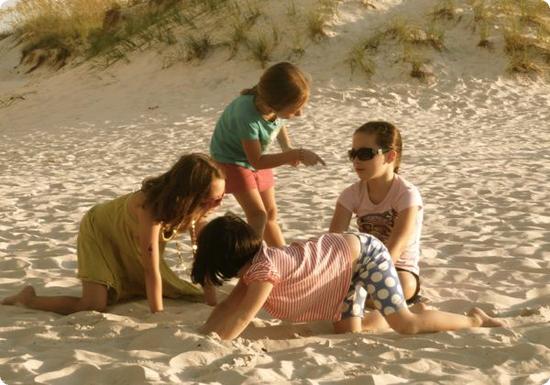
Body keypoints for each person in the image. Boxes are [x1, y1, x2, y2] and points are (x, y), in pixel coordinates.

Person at [191, 214, 505, 340]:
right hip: (340, 267)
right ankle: (415, 310)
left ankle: (475, 320)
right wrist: (205, 332)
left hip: (364, 255)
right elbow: (228, 307)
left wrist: (220, 343)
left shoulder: (262, 270)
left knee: (405, 326)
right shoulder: (255, 264)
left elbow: (244, 315)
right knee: (349, 331)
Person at [2, 153, 225, 314]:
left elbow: (202, 259)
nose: (218, 204)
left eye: (221, 197)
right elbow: (151, 269)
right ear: (190, 194)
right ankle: (28, 300)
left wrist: (211, 303)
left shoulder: (199, 211)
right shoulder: (151, 208)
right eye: (212, 199)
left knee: (184, 294)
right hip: (101, 231)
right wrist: (158, 314)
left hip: (131, 239)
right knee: (93, 306)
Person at [209, 62, 325, 247]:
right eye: (295, 108)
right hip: (230, 161)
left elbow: (278, 124)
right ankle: (251, 262)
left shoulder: (270, 107)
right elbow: (257, 162)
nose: (300, 114)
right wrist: (297, 154)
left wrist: (287, 147)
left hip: (254, 156)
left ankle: (284, 259)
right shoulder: (246, 116)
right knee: (257, 215)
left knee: (270, 214)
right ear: (276, 103)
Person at [329, 121, 423, 305]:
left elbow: (397, 246)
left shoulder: (407, 194)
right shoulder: (351, 194)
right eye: (353, 154)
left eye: (365, 154)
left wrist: (364, 281)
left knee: (403, 285)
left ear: (390, 156)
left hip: (398, 268)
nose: (356, 160)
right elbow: (333, 241)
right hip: (361, 267)